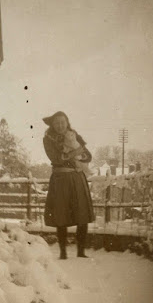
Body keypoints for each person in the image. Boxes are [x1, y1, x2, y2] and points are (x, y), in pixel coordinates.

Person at [42, 111, 95, 259]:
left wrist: (79, 153)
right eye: (57, 122)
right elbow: (56, 158)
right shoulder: (48, 139)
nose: (60, 125)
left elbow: (88, 155)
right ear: (52, 125)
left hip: (77, 178)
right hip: (60, 179)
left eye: (62, 122)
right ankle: (63, 252)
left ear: (67, 122)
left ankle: (81, 251)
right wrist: (75, 153)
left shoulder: (74, 135)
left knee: (82, 214)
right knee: (61, 214)